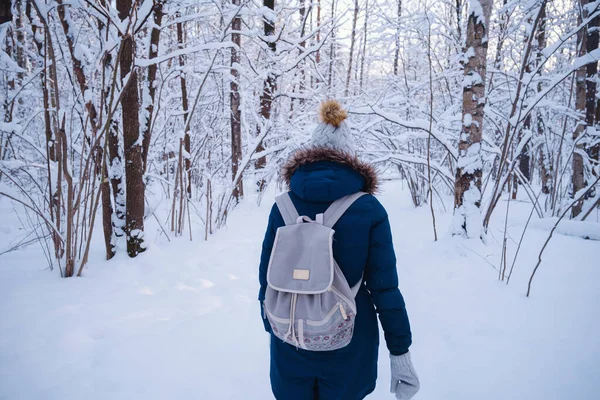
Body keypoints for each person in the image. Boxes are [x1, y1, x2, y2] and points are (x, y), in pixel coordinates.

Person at [258, 100, 419, 400]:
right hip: (349, 345)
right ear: (349, 158)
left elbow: (266, 277)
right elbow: (386, 290)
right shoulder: (369, 209)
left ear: (309, 155)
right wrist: (400, 353)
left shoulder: (281, 207)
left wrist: (274, 327)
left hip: (290, 340)